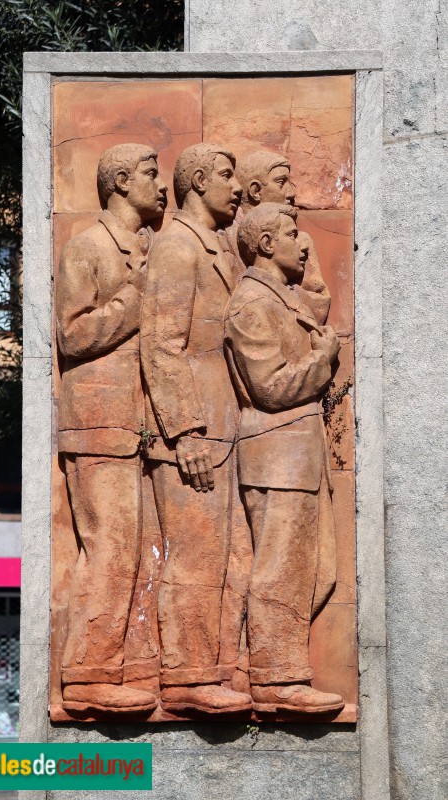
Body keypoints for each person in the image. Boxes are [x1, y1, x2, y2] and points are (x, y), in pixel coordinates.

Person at [140, 143, 252, 715]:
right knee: (195, 557)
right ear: (198, 180)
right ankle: (184, 679)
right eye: (228, 177)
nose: (237, 187)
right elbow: (161, 346)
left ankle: (211, 672)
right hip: (192, 433)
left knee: (223, 557)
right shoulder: (177, 248)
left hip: (223, 426)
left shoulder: (216, 247)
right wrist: (185, 433)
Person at [56, 143, 167, 714]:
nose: (162, 185)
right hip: (98, 425)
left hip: (137, 428)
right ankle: (85, 675)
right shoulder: (89, 248)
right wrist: (136, 295)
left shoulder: (141, 249)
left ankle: (121, 666)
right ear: (122, 182)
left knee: (139, 554)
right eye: (151, 174)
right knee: (112, 549)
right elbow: (72, 336)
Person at [224, 202, 344, 713]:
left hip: (297, 455)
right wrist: (324, 359)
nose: (305, 244)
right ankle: (276, 679)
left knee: (319, 571)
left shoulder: (284, 298)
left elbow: (316, 294)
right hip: (275, 454)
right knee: (281, 570)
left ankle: (271, 664)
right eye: (294, 236)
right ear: (267, 245)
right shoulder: (250, 303)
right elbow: (270, 387)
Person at [231, 151, 330, 325]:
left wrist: (278, 297)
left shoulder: (300, 241)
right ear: (256, 191)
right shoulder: (225, 238)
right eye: (281, 182)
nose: (291, 193)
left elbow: (318, 301)